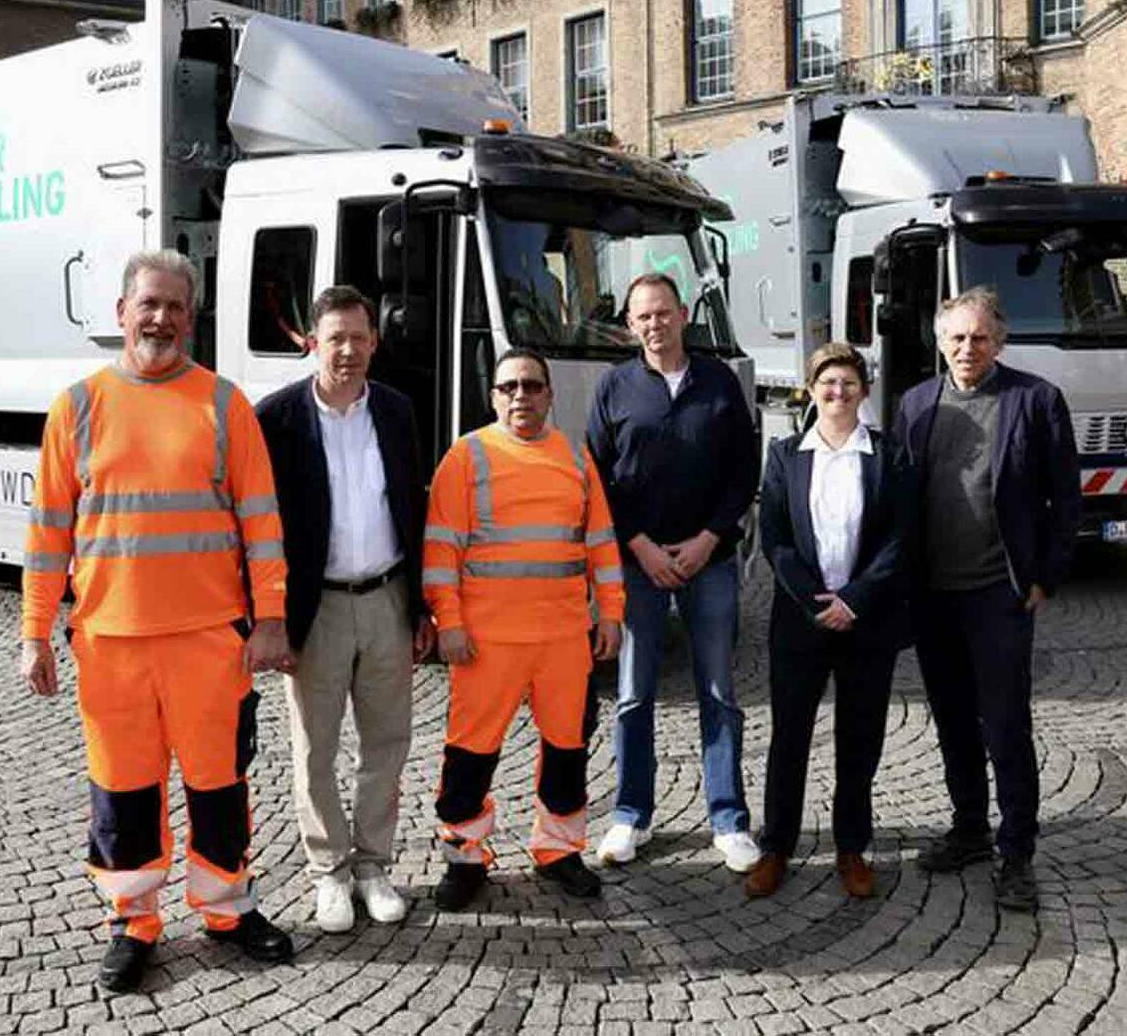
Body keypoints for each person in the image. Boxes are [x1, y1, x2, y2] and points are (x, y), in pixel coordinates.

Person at [20, 249, 296, 993]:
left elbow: (262, 523)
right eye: (148, 303)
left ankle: (227, 910)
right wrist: (35, 631)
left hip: (210, 641)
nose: (161, 318)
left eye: (175, 306)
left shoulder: (224, 405)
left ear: (191, 317)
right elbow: (48, 532)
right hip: (110, 644)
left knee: (219, 786)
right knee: (123, 793)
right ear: (121, 313)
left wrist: (270, 618)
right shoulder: (77, 408)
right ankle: (133, 921)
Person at [891, 287, 1080, 913]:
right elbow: (900, 496)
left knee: (1005, 725)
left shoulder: (1035, 400)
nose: (967, 348)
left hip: (1000, 593)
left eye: (979, 337)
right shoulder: (916, 403)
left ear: (999, 342)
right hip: (934, 596)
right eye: (956, 337)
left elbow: (1065, 497)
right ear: (939, 341)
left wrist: (1045, 577)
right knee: (952, 721)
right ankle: (969, 828)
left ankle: (1017, 852)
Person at [255, 286, 430, 934]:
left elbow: (413, 508)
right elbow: (257, 525)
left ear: (374, 343)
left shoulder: (397, 411)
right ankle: (328, 871)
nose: (348, 351)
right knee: (314, 750)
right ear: (312, 343)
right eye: (336, 339)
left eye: (359, 338)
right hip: (316, 607)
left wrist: (422, 607)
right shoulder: (276, 419)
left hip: (387, 598)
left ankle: (372, 866)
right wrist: (271, 618)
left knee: (386, 743)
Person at [423, 348, 625, 910]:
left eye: (532, 386)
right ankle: (465, 856)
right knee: (470, 753)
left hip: (563, 638)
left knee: (567, 748)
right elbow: (441, 549)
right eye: (509, 386)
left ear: (549, 395)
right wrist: (448, 622)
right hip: (486, 641)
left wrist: (611, 612)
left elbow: (601, 544)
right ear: (492, 396)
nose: (521, 396)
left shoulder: (576, 459)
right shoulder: (466, 457)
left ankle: (558, 850)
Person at [585, 272, 762, 872]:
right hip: (639, 562)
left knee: (719, 692)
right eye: (643, 316)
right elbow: (598, 477)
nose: (654, 325)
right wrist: (639, 545)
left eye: (663, 313)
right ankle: (630, 814)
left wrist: (709, 538)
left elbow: (743, 468)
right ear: (629, 325)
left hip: (708, 560)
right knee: (634, 693)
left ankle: (728, 819)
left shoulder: (718, 381)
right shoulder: (614, 386)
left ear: (684, 314)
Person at [745, 343, 909, 900]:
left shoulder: (888, 455)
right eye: (827, 383)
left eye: (848, 383)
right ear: (811, 390)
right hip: (800, 622)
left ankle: (852, 847)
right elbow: (775, 537)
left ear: (864, 391)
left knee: (859, 739)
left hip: (868, 622)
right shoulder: (785, 455)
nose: (838, 392)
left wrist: (855, 600)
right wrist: (818, 603)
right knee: (789, 737)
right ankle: (776, 847)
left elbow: (899, 538)